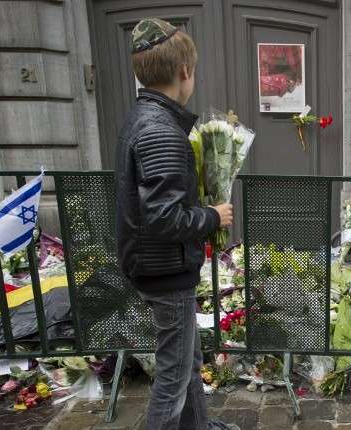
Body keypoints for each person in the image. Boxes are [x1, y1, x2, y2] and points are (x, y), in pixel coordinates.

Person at [114, 18, 236, 430]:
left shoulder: (144, 117)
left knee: (188, 363)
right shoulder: (161, 130)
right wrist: (212, 216)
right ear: (185, 71)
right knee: (173, 377)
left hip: (159, 267)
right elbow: (163, 217)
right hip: (165, 271)